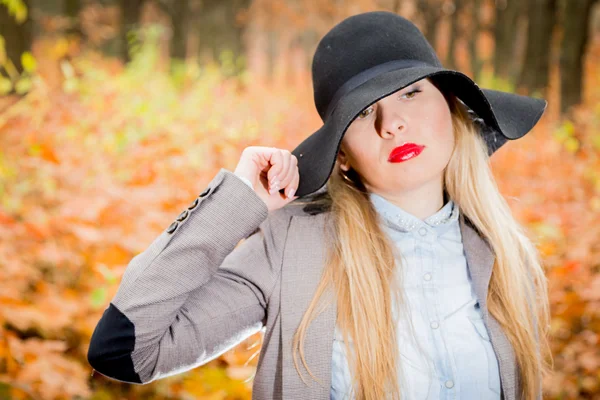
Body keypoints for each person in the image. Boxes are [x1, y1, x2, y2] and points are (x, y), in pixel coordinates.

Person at [87, 11, 551, 400]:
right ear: (341, 154)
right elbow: (125, 350)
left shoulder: (503, 257)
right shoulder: (292, 249)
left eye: (411, 92)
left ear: (451, 109)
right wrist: (236, 203)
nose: (393, 124)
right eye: (364, 111)